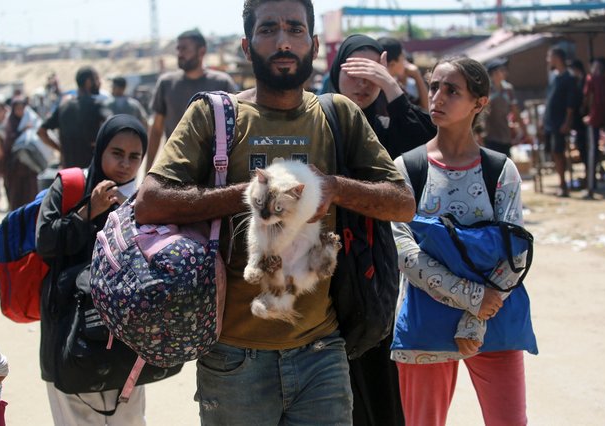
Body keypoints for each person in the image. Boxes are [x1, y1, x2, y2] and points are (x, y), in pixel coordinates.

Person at [133, 0, 416, 424]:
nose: (283, 41)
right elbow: (150, 202)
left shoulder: (338, 114)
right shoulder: (214, 116)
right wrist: (251, 196)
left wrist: (333, 188)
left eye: (294, 29)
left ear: (314, 44)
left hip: (322, 353)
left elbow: (403, 203)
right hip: (233, 358)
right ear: (247, 47)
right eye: (268, 30)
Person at [391, 56, 530, 426]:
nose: (437, 97)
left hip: (494, 323)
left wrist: (476, 319)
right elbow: (404, 252)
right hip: (427, 324)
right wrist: (472, 300)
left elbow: (516, 252)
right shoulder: (408, 168)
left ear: (479, 103)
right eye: (434, 86)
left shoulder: (500, 170)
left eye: (452, 90)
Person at [324, 33, 435, 426]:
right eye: (356, 70)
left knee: (378, 377)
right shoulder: (315, 118)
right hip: (325, 269)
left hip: (374, 271)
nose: (364, 80)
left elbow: (426, 142)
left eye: (374, 70)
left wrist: (392, 85)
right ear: (336, 72)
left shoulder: (386, 125)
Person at [36, 115, 148, 426]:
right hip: (70, 337)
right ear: (99, 149)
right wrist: (89, 212)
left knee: (130, 419)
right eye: (116, 153)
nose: (125, 164)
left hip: (123, 340)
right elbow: (45, 243)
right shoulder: (70, 186)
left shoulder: (142, 198)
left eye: (134, 156)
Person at [147, 29, 238, 170]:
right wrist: (148, 169)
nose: (179, 54)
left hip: (213, 168)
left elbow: (237, 127)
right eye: (178, 49)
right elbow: (156, 129)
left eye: (184, 49)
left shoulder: (222, 83)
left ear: (201, 51)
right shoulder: (166, 83)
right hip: (174, 166)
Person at [37, 66, 111, 168]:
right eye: (97, 79)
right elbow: (112, 128)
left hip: (69, 173)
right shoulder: (97, 106)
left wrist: (60, 149)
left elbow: (41, 132)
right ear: (88, 82)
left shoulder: (64, 106)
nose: (99, 83)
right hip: (91, 171)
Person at [543, 47, 576, 197]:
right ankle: (560, 181)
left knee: (559, 152)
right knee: (553, 152)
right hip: (550, 122)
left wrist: (567, 122)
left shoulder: (568, 78)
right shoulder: (554, 77)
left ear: (557, 57)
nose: (548, 60)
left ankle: (563, 184)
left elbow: (571, 104)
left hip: (559, 122)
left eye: (550, 56)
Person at [482, 57, 530, 158]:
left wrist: (525, 133)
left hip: (505, 136)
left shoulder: (508, 89)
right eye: (501, 70)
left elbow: (515, 112)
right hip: (490, 136)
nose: (504, 72)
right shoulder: (487, 90)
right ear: (494, 73)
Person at [2, 97, 40, 210]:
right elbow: (8, 143)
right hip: (15, 169)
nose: (20, 111)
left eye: (22, 108)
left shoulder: (30, 121)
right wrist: (21, 131)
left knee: (30, 196)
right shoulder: (10, 123)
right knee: (16, 197)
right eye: (17, 108)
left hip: (30, 167)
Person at [378, 36, 429, 111]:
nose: (406, 63)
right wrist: (418, 76)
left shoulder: (373, 85)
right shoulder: (393, 89)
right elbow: (426, 110)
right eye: (403, 58)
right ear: (392, 64)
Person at [568, 59, 592, 187]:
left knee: (585, 150)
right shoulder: (578, 82)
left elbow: (584, 102)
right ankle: (588, 176)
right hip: (580, 123)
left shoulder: (584, 82)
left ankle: (589, 177)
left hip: (584, 124)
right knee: (583, 150)